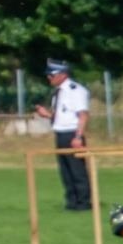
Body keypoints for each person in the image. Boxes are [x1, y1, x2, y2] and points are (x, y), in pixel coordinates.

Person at [34, 59, 91, 211]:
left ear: (62, 75)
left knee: (77, 171)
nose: (49, 78)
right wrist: (46, 115)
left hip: (72, 134)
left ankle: (84, 203)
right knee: (65, 171)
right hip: (60, 133)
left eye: (51, 75)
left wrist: (78, 137)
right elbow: (62, 115)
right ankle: (71, 202)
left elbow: (83, 115)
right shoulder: (58, 92)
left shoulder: (75, 90)